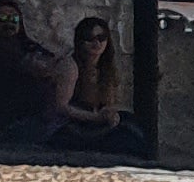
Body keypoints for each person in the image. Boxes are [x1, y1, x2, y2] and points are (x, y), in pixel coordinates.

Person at [0, 0, 68, 134]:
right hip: (9, 118)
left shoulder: (26, 45)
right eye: (2, 17)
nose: (8, 23)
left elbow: (51, 61)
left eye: (14, 19)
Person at [47, 16, 145, 153]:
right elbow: (62, 107)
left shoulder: (106, 68)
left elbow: (108, 103)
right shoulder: (70, 66)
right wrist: (96, 118)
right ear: (80, 41)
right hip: (69, 125)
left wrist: (110, 115)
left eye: (101, 37)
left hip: (93, 121)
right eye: (89, 38)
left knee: (132, 128)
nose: (96, 43)